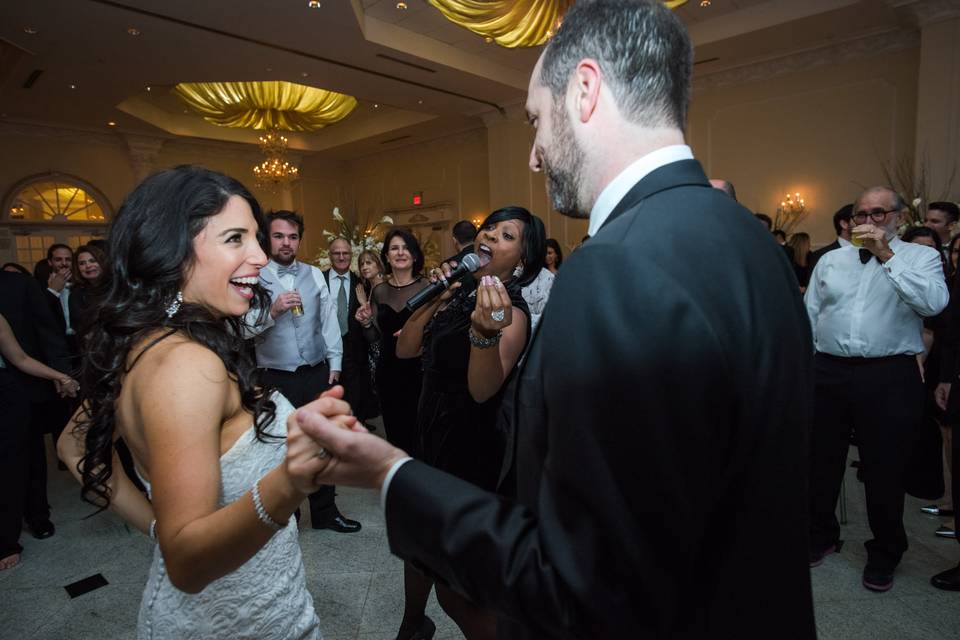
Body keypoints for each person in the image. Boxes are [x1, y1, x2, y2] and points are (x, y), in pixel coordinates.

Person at [299, 1, 817, 637]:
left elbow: (584, 579)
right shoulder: (747, 239)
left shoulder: (615, 266)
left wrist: (387, 472)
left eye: (536, 120)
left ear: (586, 89)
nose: (536, 155)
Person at [57, 166, 338, 639]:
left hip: (253, 603)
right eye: (235, 238)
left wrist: (157, 528)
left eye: (257, 237)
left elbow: (73, 446)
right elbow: (187, 562)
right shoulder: (187, 365)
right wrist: (292, 481)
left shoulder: (151, 342)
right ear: (173, 250)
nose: (259, 255)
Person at [395, 206, 544, 639]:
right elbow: (405, 350)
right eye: (489, 228)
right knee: (417, 543)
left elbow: (483, 390)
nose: (491, 236)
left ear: (522, 260)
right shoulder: (458, 291)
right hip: (429, 427)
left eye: (507, 235)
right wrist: (437, 297)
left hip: (468, 444)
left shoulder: (511, 313)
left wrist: (483, 334)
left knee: (457, 590)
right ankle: (412, 624)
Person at [806, 186, 949, 592]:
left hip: (888, 374)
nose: (868, 222)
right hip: (828, 370)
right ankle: (820, 535)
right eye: (861, 214)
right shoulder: (831, 260)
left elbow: (934, 305)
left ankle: (885, 551)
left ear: (899, 219)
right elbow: (810, 315)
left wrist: (887, 255)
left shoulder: (921, 257)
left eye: (878, 214)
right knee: (821, 462)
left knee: (884, 467)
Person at [245, 210, 360, 533]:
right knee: (281, 447)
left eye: (292, 237)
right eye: (279, 236)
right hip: (274, 375)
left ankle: (325, 513)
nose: (285, 242)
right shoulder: (251, 277)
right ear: (267, 239)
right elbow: (241, 329)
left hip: (316, 371)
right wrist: (272, 311)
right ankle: (287, 515)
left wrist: (335, 364)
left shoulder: (313, 274)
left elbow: (328, 323)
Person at [354, 228, 433, 640]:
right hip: (389, 375)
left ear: (415, 255)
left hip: (420, 375)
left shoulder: (430, 287)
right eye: (393, 249)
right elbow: (376, 339)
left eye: (405, 248)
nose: (399, 253)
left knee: (423, 433)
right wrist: (366, 321)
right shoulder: (379, 290)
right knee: (399, 436)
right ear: (387, 257)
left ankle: (421, 483)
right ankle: (405, 482)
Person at [0, 311, 78, 570]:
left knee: (11, 467)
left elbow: (20, 358)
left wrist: (59, 376)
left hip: (5, 399)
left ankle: (7, 541)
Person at [324, 237, 377, 425]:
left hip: (355, 352)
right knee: (329, 400)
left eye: (345, 253)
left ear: (351, 255)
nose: (341, 257)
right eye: (336, 253)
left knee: (355, 400)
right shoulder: (318, 280)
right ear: (330, 255)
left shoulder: (361, 282)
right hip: (325, 353)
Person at [809, 204, 853, 274]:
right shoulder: (820, 256)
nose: (866, 223)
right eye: (859, 217)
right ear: (844, 224)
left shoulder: (872, 253)